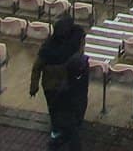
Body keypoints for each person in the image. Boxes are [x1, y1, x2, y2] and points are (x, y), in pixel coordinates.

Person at [30, 15, 90, 148]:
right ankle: (62, 134)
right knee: (63, 113)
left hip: (58, 86)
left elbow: (37, 67)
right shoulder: (73, 41)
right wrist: (33, 86)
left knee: (60, 112)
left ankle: (59, 133)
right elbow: (37, 66)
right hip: (58, 86)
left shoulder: (51, 46)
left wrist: (34, 86)